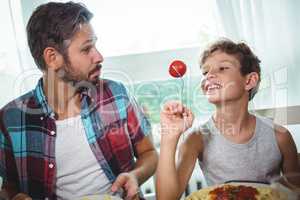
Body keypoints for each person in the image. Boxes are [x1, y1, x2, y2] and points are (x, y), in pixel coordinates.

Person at [0, 2, 158, 200]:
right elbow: (9, 186)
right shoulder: (11, 118)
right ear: (52, 58)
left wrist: (135, 176)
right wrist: (15, 197)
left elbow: (149, 153)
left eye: (95, 45)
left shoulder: (116, 94)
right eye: (86, 49)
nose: (99, 56)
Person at [156, 39, 300, 199]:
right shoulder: (196, 139)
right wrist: (169, 137)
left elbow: (294, 192)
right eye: (205, 72)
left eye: (222, 68)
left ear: (249, 81)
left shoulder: (280, 136)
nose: (209, 75)